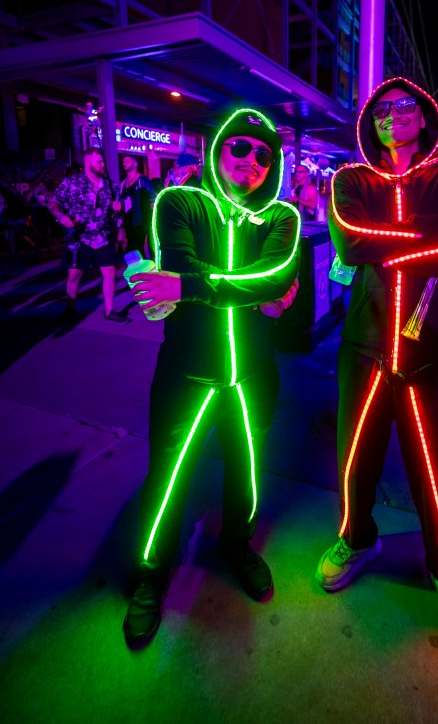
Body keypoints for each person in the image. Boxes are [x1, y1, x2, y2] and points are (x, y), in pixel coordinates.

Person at [314, 77, 438, 650]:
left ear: (424, 116)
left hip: (431, 350)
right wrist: (428, 238)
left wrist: (397, 243)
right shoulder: (350, 179)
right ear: (371, 122)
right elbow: (350, 244)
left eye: (404, 107)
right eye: (382, 109)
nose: (393, 115)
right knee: (354, 459)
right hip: (364, 345)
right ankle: (357, 539)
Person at [122, 108, 301, 648]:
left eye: (263, 156)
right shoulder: (179, 203)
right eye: (240, 149)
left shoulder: (281, 219)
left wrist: (192, 287)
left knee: (246, 473)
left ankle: (236, 544)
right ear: (217, 149)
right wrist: (251, 291)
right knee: (167, 482)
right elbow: (192, 273)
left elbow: (273, 277)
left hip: (249, 374)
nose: (251, 162)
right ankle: (152, 573)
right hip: (187, 372)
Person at [47, 148, 129, 323]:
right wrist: (62, 217)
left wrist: (119, 209)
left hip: (103, 236)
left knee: (110, 272)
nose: (103, 165)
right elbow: (52, 202)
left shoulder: (111, 186)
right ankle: (70, 308)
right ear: (88, 163)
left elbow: (119, 211)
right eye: (99, 162)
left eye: (102, 161)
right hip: (79, 237)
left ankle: (109, 310)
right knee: (74, 274)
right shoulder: (72, 183)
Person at [119, 154, 155, 256]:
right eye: (123, 161)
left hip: (141, 223)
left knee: (137, 249)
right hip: (128, 223)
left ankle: (142, 270)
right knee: (133, 250)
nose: (124, 163)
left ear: (135, 163)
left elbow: (152, 202)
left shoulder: (143, 180)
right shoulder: (123, 184)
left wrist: (149, 225)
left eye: (127, 161)